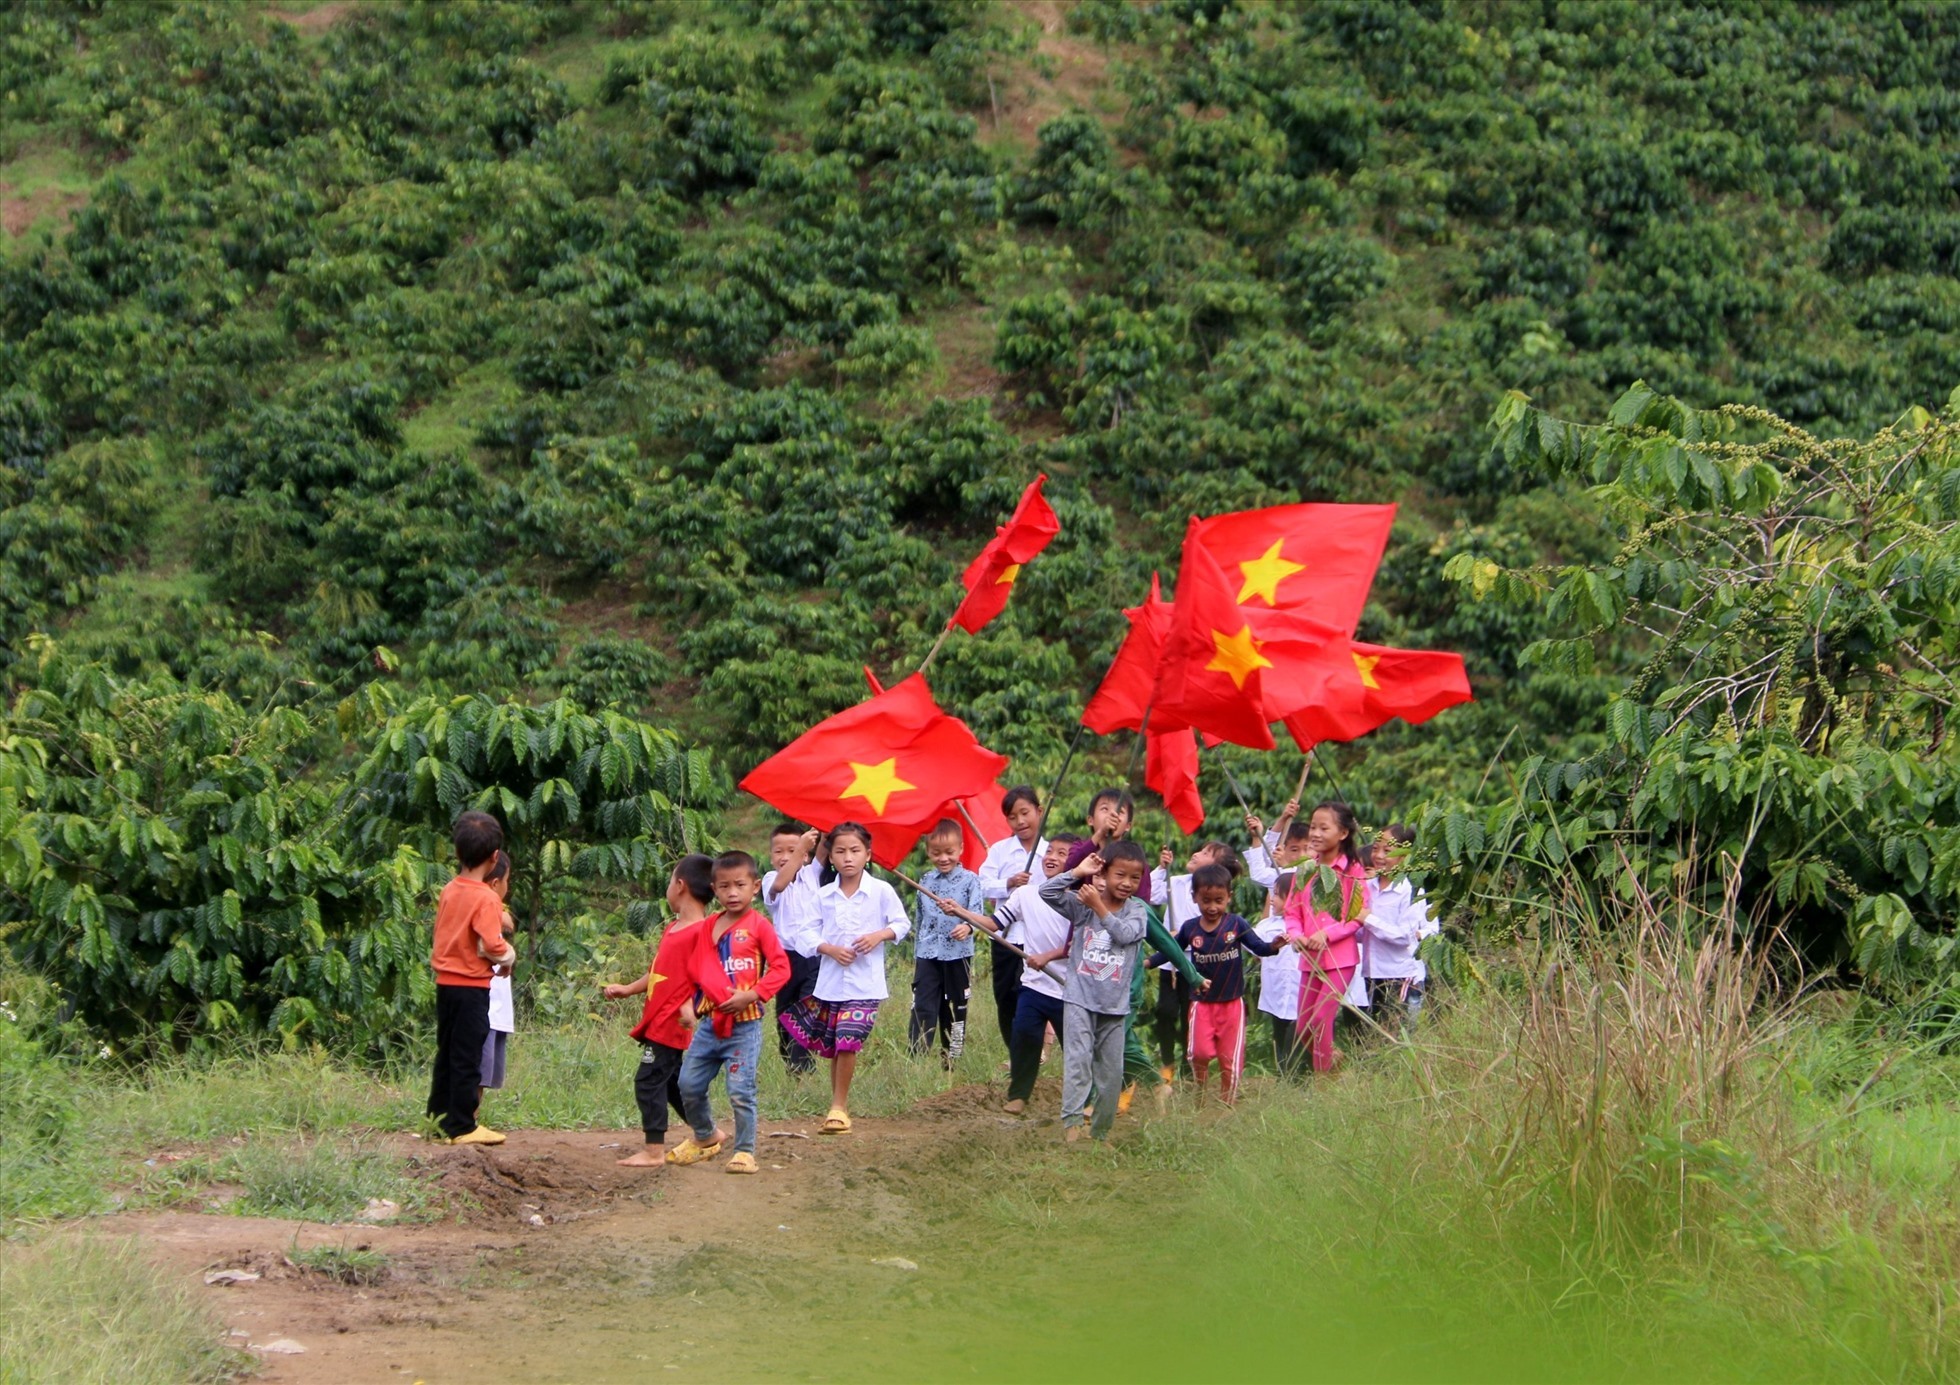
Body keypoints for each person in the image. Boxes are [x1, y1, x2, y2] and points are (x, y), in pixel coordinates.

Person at [667, 851, 790, 1174]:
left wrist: (752, 994)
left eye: (740, 885)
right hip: (709, 1025)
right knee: (688, 1083)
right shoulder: (707, 927)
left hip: (745, 1026)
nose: (732, 893)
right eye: (724, 887)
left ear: (755, 886)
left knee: (740, 1090)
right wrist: (689, 1006)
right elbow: (695, 970)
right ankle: (705, 1136)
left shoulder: (759, 926)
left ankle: (745, 1151)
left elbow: (781, 968)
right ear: (714, 889)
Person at [782, 822, 908, 1134]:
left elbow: (901, 923)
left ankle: (838, 1107)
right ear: (832, 857)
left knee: (849, 1040)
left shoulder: (881, 891)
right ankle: (837, 1105)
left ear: (868, 855)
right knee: (837, 1045)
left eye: (855, 851)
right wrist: (829, 948)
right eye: (840, 851)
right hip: (830, 983)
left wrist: (879, 935)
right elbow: (804, 933)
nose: (848, 857)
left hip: (866, 985)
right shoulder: (823, 896)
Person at [601, 853, 716, 1168]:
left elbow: (710, 978)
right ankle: (707, 1132)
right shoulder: (674, 928)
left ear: (679, 886)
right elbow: (658, 971)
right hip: (660, 1019)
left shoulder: (703, 932)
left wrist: (694, 1009)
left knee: (648, 1080)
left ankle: (653, 1150)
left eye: (669, 881)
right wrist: (628, 988)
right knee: (672, 1083)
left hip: (672, 1022)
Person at [1039, 841, 1150, 1143]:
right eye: (1119, 875)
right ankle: (1072, 1127)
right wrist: (1076, 872)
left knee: (1111, 1075)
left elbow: (1125, 935)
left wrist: (1099, 908)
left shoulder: (1137, 911)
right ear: (1104, 872)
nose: (1127, 883)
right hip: (1079, 999)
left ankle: (1100, 1133)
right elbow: (1046, 892)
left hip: (1114, 1007)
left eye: (1134, 878)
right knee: (1077, 1063)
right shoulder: (1082, 902)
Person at [1150, 863, 1282, 1104]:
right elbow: (1172, 951)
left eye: (1218, 900)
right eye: (1206, 900)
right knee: (1199, 1052)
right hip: (1201, 1003)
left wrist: (1274, 946)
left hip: (1232, 1004)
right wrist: (1148, 962)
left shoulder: (1237, 925)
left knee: (1229, 1060)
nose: (1212, 907)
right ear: (1195, 898)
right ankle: (1200, 1089)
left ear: (1229, 897)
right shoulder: (1190, 929)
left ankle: (1226, 1104)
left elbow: (1259, 948)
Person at [427, 812, 516, 1146]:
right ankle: (463, 1125)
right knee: (468, 1056)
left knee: (446, 1053)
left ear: (457, 851)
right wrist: (508, 957)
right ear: (495, 857)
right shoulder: (486, 898)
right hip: (471, 987)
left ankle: (437, 1119)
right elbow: (492, 944)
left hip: (445, 984)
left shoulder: (450, 889)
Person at [975, 836, 1075, 1115]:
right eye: (1051, 851)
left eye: (1062, 853)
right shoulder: (1026, 894)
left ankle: (1087, 1098)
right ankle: (1018, 1095)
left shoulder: (1079, 899)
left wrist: (1047, 957)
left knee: (1076, 1048)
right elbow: (995, 923)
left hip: (1069, 989)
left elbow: (1076, 944)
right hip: (1034, 985)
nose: (1052, 857)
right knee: (1023, 1036)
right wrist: (962, 913)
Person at [1283, 801, 1372, 1074]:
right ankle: (1332, 1060)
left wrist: (1328, 934)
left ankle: (1323, 1084)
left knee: (1322, 1020)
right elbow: (1291, 910)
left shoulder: (1353, 870)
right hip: (1310, 958)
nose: (1316, 833)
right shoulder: (1306, 868)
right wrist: (1297, 934)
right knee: (1304, 1026)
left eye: (1324, 827)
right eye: (1313, 827)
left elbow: (1359, 913)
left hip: (1340, 958)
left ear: (1343, 833)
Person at [1148, 839, 1245, 1079]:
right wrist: (1161, 869)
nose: (1196, 854)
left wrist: (1178, 935)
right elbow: (1151, 893)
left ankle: (1188, 1067)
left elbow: (1204, 928)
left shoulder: (1212, 900)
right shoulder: (1176, 883)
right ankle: (1167, 1063)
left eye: (1205, 853)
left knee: (1188, 1015)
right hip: (1171, 962)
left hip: (1195, 965)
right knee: (1165, 1011)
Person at [978, 786, 1048, 1054]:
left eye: (1025, 813)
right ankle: (1015, 1051)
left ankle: (1036, 1049)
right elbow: (982, 885)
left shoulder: (1051, 852)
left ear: (1039, 811)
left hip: (1039, 937)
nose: (1020, 822)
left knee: (1034, 994)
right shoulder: (1000, 851)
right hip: (1005, 935)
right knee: (1006, 995)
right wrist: (1008, 883)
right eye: (1012, 817)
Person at [910, 819, 985, 1065]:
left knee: (955, 1006)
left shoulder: (971, 880)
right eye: (936, 853)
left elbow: (977, 914)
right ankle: (917, 1057)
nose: (943, 858)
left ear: (960, 849)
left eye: (949, 852)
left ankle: (951, 1058)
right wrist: (917, 954)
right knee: (923, 1004)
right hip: (928, 953)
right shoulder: (925, 881)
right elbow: (919, 919)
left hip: (958, 954)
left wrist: (967, 926)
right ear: (928, 851)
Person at [762, 824, 825, 1077]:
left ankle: (804, 1069)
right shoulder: (770, 879)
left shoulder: (812, 874)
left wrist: (821, 829)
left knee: (807, 1012)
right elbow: (779, 884)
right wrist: (800, 848)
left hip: (812, 957)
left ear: (807, 855)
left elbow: (825, 843)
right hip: (785, 959)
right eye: (779, 851)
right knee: (784, 1016)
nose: (785, 856)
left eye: (793, 849)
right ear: (771, 856)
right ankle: (791, 1066)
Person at [1362, 824, 1435, 1036]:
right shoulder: (1367, 887)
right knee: (1373, 1031)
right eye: (1376, 849)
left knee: (1396, 1030)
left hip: (1397, 973)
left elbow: (1404, 936)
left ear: (1404, 856)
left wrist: (1368, 919)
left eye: (1388, 850)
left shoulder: (1410, 891)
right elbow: (1360, 931)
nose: (1379, 855)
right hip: (1371, 972)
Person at [1255, 819, 1315, 1074]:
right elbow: (1258, 870)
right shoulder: (1270, 923)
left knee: (1302, 1030)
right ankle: (1285, 1074)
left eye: (1306, 847)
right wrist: (1263, 834)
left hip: (1305, 985)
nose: (1301, 854)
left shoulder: (1318, 882)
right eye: (1294, 848)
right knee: (1280, 1030)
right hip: (1277, 988)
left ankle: (1304, 1073)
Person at [478, 851, 517, 1116]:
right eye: (506, 881)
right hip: (485, 1004)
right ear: (494, 884)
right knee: (477, 1069)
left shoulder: (492, 908)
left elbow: (509, 923)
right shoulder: (482, 905)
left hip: (496, 1005)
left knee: (484, 1071)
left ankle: (472, 1118)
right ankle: (468, 1120)